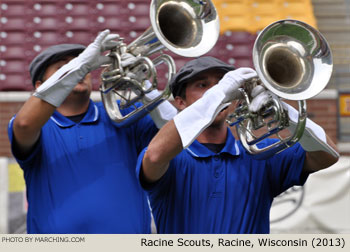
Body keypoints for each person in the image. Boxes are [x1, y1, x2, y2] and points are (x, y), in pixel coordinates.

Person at [137, 56, 340, 233]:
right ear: (180, 102)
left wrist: (284, 111)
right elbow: (154, 156)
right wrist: (217, 96)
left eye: (221, 84)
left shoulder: (259, 152)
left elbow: (328, 154)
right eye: (202, 85)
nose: (216, 91)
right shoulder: (172, 155)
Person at [7, 29, 177, 234]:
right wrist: (79, 65)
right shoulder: (37, 126)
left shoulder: (122, 114)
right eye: (63, 68)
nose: (78, 72)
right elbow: (24, 125)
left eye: (80, 66)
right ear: (40, 86)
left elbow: (178, 132)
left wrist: (144, 84)